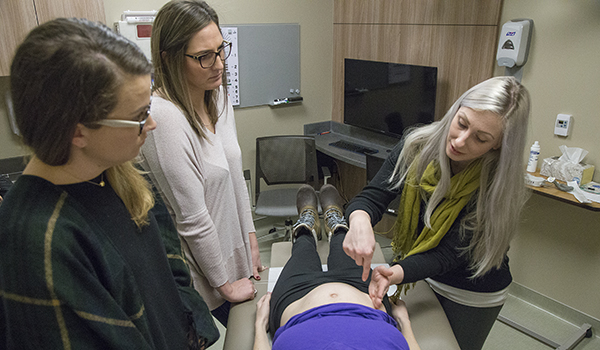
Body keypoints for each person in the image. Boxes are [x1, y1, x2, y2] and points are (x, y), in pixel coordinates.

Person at [0, 17, 218, 349]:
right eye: (139, 116)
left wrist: (193, 332)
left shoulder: (121, 174)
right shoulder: (35, 241)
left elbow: (172, 271)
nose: (152, 124)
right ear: (77, 131)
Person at [342, 76, 531, 350]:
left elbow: (447, 255)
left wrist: (397, 273)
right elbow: (374, 196)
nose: (461, 141)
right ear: (455, 109)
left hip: (472, 289)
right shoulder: (416, 147)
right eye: (462, 123)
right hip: (419, 270)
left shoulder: (495, 185)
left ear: (498, 145)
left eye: (481, 138)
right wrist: (359, 218)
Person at [140, 0, 264, 326]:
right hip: (200, 272)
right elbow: (191, 218)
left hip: (234, 252)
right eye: (204, 57)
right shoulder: (163, 117)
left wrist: (250, 240)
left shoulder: (218, 96)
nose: (219, 64)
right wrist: (223, 285)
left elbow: (236, 175)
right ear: (168, 58)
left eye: (221, 49)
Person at [253, 184, 421, 350]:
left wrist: (260, 325)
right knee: (344, 246)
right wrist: (404, 322)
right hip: (365, 295)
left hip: (296, 301)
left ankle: (307, 226)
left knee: (302, 250)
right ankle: (337, 226)